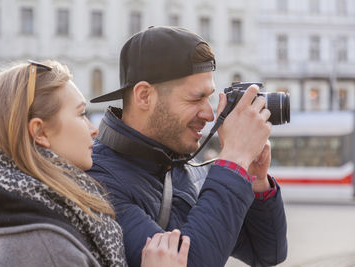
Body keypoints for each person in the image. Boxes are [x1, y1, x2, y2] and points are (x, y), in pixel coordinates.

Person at [0, 60, 190, 267]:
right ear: (40, 133)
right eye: (80, 114)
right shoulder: (43, 244)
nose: (93, 129)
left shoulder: (4, 209)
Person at [88, 26, 288, 267]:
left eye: (210, 98)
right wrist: (235, 159)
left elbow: (267, 253)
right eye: (195, 98)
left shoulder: (182, 164)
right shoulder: (97, 181)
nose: (209, 114)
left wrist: (256, 181)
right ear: (144, 96)